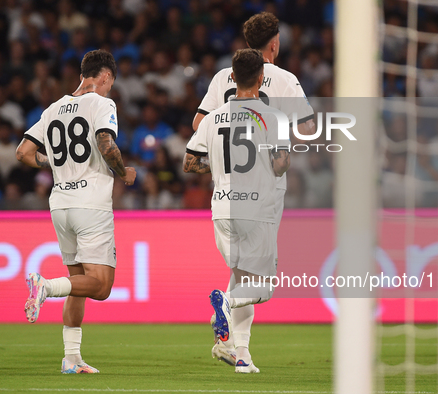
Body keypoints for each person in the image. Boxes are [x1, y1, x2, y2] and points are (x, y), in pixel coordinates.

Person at [191, 11, 314, 367]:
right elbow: (306, 128)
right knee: (257, 280)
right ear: (274, 43)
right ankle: (226, 310)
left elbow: (200, 124)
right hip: (266, 189)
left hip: (227, 187)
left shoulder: (221, 78)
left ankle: (238, 350)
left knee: (242, 270)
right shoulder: (286, 80)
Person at [15, 49, 136, 374]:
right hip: (91, 205)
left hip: (60, 205)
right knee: (100, 286)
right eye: (111, 83)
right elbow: (106, 143)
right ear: (106, 76)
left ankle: (71, 358)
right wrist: (123, 172)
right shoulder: (101, 103)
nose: (110, 89)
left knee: (78, 282)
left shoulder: (53, 109)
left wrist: (52, 162)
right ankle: (45, 287)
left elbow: (23, 152)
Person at [184, 48, 290, 373]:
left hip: (222, 210)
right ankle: (224, 303)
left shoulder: (212, 118)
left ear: (232, 77)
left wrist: (217, 167)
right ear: (260, 78)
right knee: (263, 288)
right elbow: (280, 164)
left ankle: (238, 352)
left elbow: (190, 163)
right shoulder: (274, 118)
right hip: (256, 208)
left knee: (241, 277)